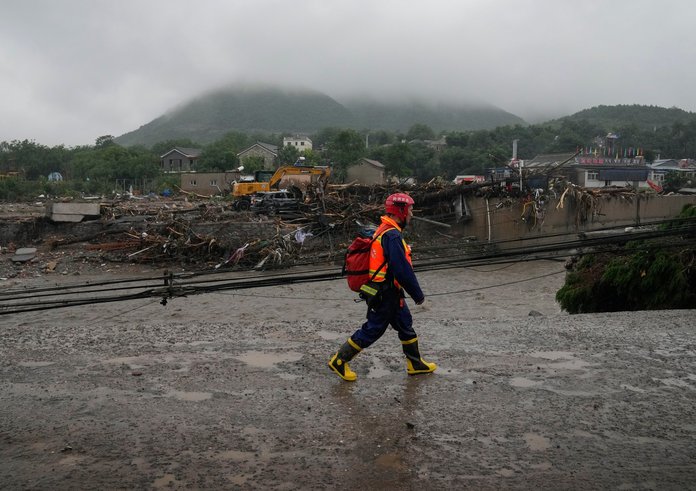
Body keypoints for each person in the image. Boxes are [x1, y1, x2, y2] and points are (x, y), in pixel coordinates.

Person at [328, 193, 437, 381]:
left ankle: (415, 363)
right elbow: (402, 270)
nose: (411, 214)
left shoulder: (385, 229)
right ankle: (339, 361)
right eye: (410, 210)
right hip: (385, 293)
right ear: (400, 211)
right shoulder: (392, 235)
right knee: (374, 329)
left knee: (405, 324)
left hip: (389, 291)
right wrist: (418, 296)